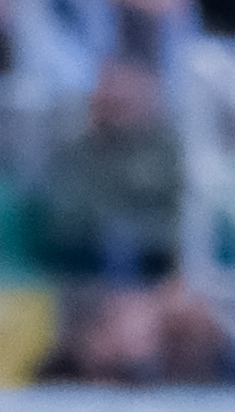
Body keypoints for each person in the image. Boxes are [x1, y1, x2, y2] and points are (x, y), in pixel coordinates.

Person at [33, 54, 182, 282]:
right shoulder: (76, 151)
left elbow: (182, 215)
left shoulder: (171, 150)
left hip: (156, 260)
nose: (114, 97)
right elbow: (59, 215)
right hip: (84, 259)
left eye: (125, 94)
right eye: (108, 88)